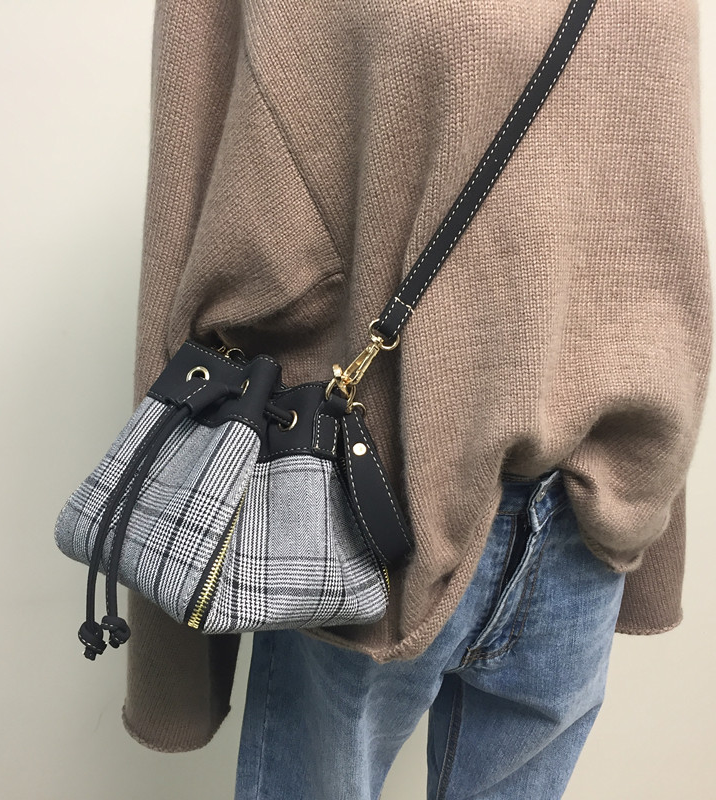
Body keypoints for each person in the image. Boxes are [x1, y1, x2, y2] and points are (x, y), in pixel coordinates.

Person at [120, 1, 712, 797]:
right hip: (362, 499)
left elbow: (649, 208)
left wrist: (654, 510)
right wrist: (172, 655)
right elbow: (191, 194)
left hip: (588, 515)